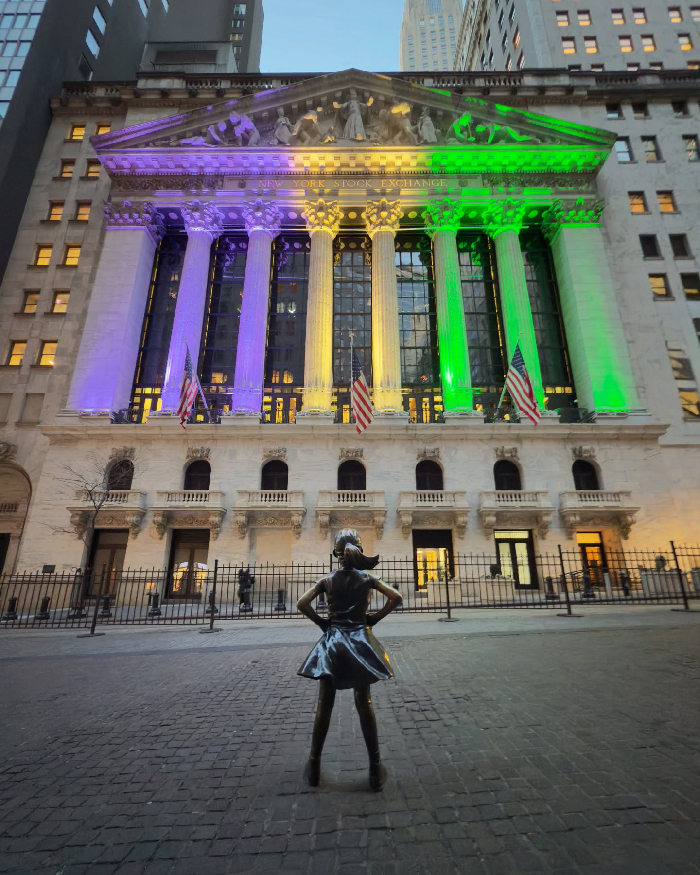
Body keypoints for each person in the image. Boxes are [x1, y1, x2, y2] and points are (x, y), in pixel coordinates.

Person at [297, 530, 403, 790]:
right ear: (359, 549)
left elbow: (302, 603)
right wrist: (373, 619)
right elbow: (396, 597)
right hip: (359, 642)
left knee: (325, 704)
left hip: (333, 643)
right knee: (364, 702)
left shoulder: (328, 579)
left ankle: (314, 766)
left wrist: (322, 623)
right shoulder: (367, 577)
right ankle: (375, 769)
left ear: (336, 553)